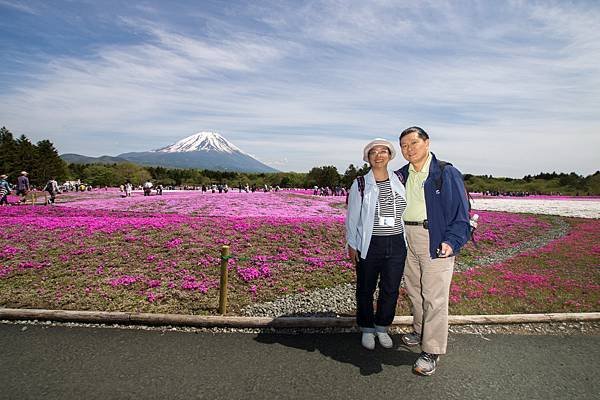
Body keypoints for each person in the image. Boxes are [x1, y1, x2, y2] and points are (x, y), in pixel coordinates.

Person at [396, 126, 470, 376]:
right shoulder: (401, 175)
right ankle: (420, 331)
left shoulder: (445, 173)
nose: (409, 149)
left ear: (427, 143)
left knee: (435, 297)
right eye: (404, 146)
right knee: (414, 291)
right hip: (406, 238)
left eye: (413, 143)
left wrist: (453, 241)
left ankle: (432, 349)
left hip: (435, 238)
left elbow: (462, 214)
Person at [346, 138, 408, 350]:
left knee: (390, 289)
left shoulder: (400, 179)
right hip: (370, 243)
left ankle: (382, 326)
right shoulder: (360, 183)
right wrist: (352, 244)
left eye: (384, 151)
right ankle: (367, 328)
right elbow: (352, 217)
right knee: (365, 288)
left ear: (390, 156)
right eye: (374, 152)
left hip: (397, 242)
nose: (379, 155)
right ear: (368, 158)